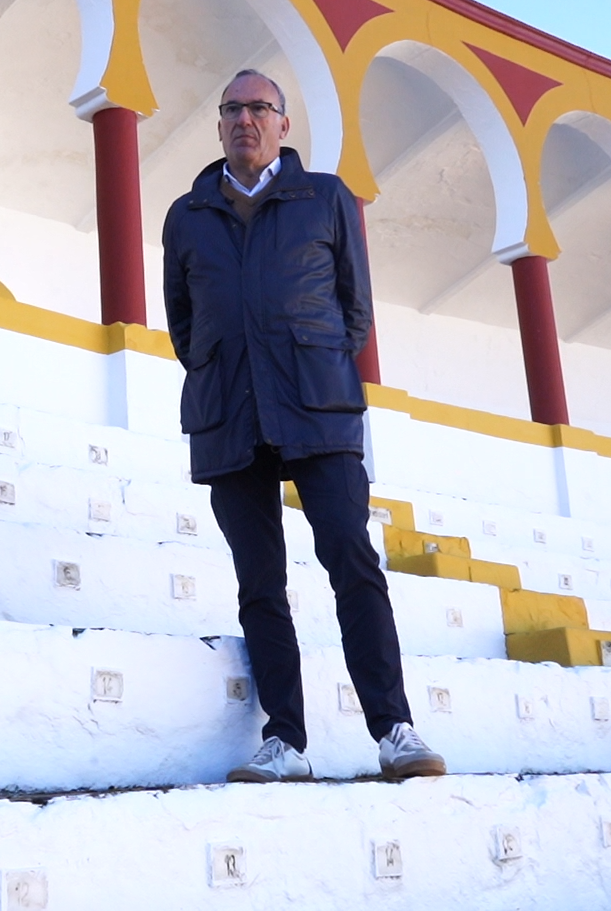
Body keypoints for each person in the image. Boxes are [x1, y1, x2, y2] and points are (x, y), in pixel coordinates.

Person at [162, 69, 445, 782]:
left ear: (284, 125)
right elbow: (183, 325)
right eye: (231, 109)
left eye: (259, 108)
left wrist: (306, 365)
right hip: (229, 413)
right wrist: (229, 364)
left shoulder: (326, 198)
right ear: (219, 123)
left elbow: (355, 311)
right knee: (259, 582)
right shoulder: (187, 214)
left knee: (351, 559)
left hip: (316, 407)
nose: (244, 120)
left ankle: (395, 731)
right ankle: (285, 739)